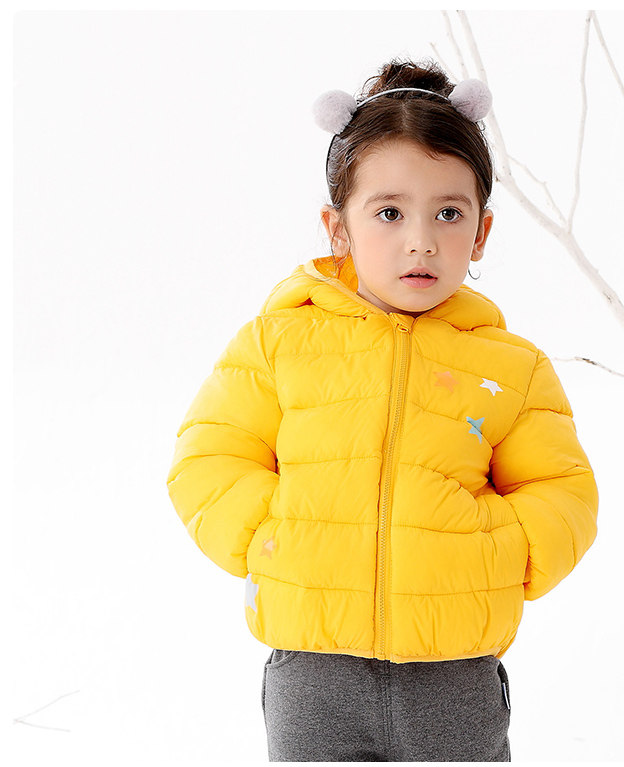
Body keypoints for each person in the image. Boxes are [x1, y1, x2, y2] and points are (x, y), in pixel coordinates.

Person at [166, 59, 598, 762]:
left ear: (482, 232)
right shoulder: (279, 342)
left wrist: (499, 550)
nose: (420, 239)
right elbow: (210, 457)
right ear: (337, 227)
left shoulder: (512, 368)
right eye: (390, 212)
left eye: (448, 213)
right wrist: (274, 538)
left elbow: (563, 491)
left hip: (455, 675)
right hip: (314, 672)